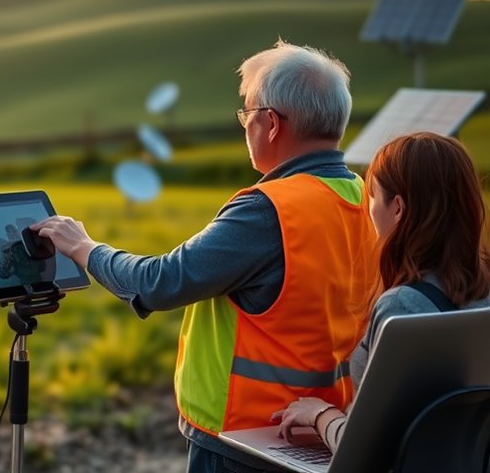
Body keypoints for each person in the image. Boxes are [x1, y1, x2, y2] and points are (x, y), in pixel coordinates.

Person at [33, 41, 379, 473]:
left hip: (245, 441)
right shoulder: (364, 197)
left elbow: (159, 283)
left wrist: (84, 248)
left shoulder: (268, 209)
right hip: (322, 429)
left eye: (247, 114)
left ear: (271, 123)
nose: (245, 127)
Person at [271, 132, 490, 452]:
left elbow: (366, 450)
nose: (369, 210)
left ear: (398, 208)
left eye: (372, 196)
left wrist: (319, 414)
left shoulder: (401, 306)